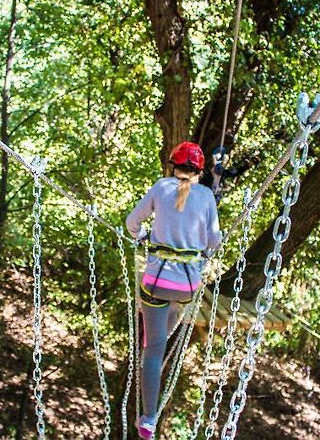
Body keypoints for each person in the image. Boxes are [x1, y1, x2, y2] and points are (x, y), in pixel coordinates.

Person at [126, 141, 220, 439]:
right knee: (160, 337)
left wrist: (141, 235)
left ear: (172, 165)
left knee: (153, 351)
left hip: (156, 281)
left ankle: (149, 419)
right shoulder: (206, 196)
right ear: (199, 171)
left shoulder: (161, 187)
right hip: (187, 286)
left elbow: (132, 222)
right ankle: (154, 334)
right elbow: (214, 242)